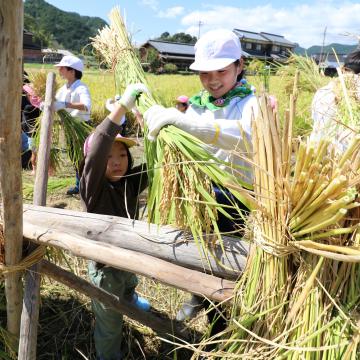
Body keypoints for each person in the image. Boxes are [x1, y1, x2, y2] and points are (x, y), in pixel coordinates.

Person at [144, 29, 258, 334]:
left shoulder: (250, 103)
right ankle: (197, 297)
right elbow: (186, 138)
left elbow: (246, 137)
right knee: (196, 250)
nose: (213, 80)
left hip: (232, 194)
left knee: (220, 259)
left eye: (221, 70)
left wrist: (189, 124)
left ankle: (219, 326)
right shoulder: (198, 103)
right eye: (205, 73)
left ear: (239, 65)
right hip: (199, 189)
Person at [80, 83, 150, 360]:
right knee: (110, 322)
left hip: (128, 255)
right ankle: (108, 356)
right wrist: (120, 109)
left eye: (122, 155)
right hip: (105, 266)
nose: (117, 161)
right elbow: (98, 148)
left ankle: (131, 297)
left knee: (129, 280)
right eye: (109, 157)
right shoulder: (93, 187)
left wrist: (144, 117)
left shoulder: (131, 182)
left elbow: (157, 159)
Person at [53, 55, 92, 195]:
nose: (60, 70)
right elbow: (54, 102)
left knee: (83, 157)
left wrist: (65, 104)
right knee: (74, 157)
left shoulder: (81, 87)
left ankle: (87, 185)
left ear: (72, 71)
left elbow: (86, 106)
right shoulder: (64, 88)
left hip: (81, 127)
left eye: (62, 68)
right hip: (70, 128)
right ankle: (79, 184)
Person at [310, 48, 360, 152]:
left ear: (342, 69)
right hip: (347, 160)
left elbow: (314, 119)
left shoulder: (323, 91)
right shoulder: (354, 93)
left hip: (317, 155)